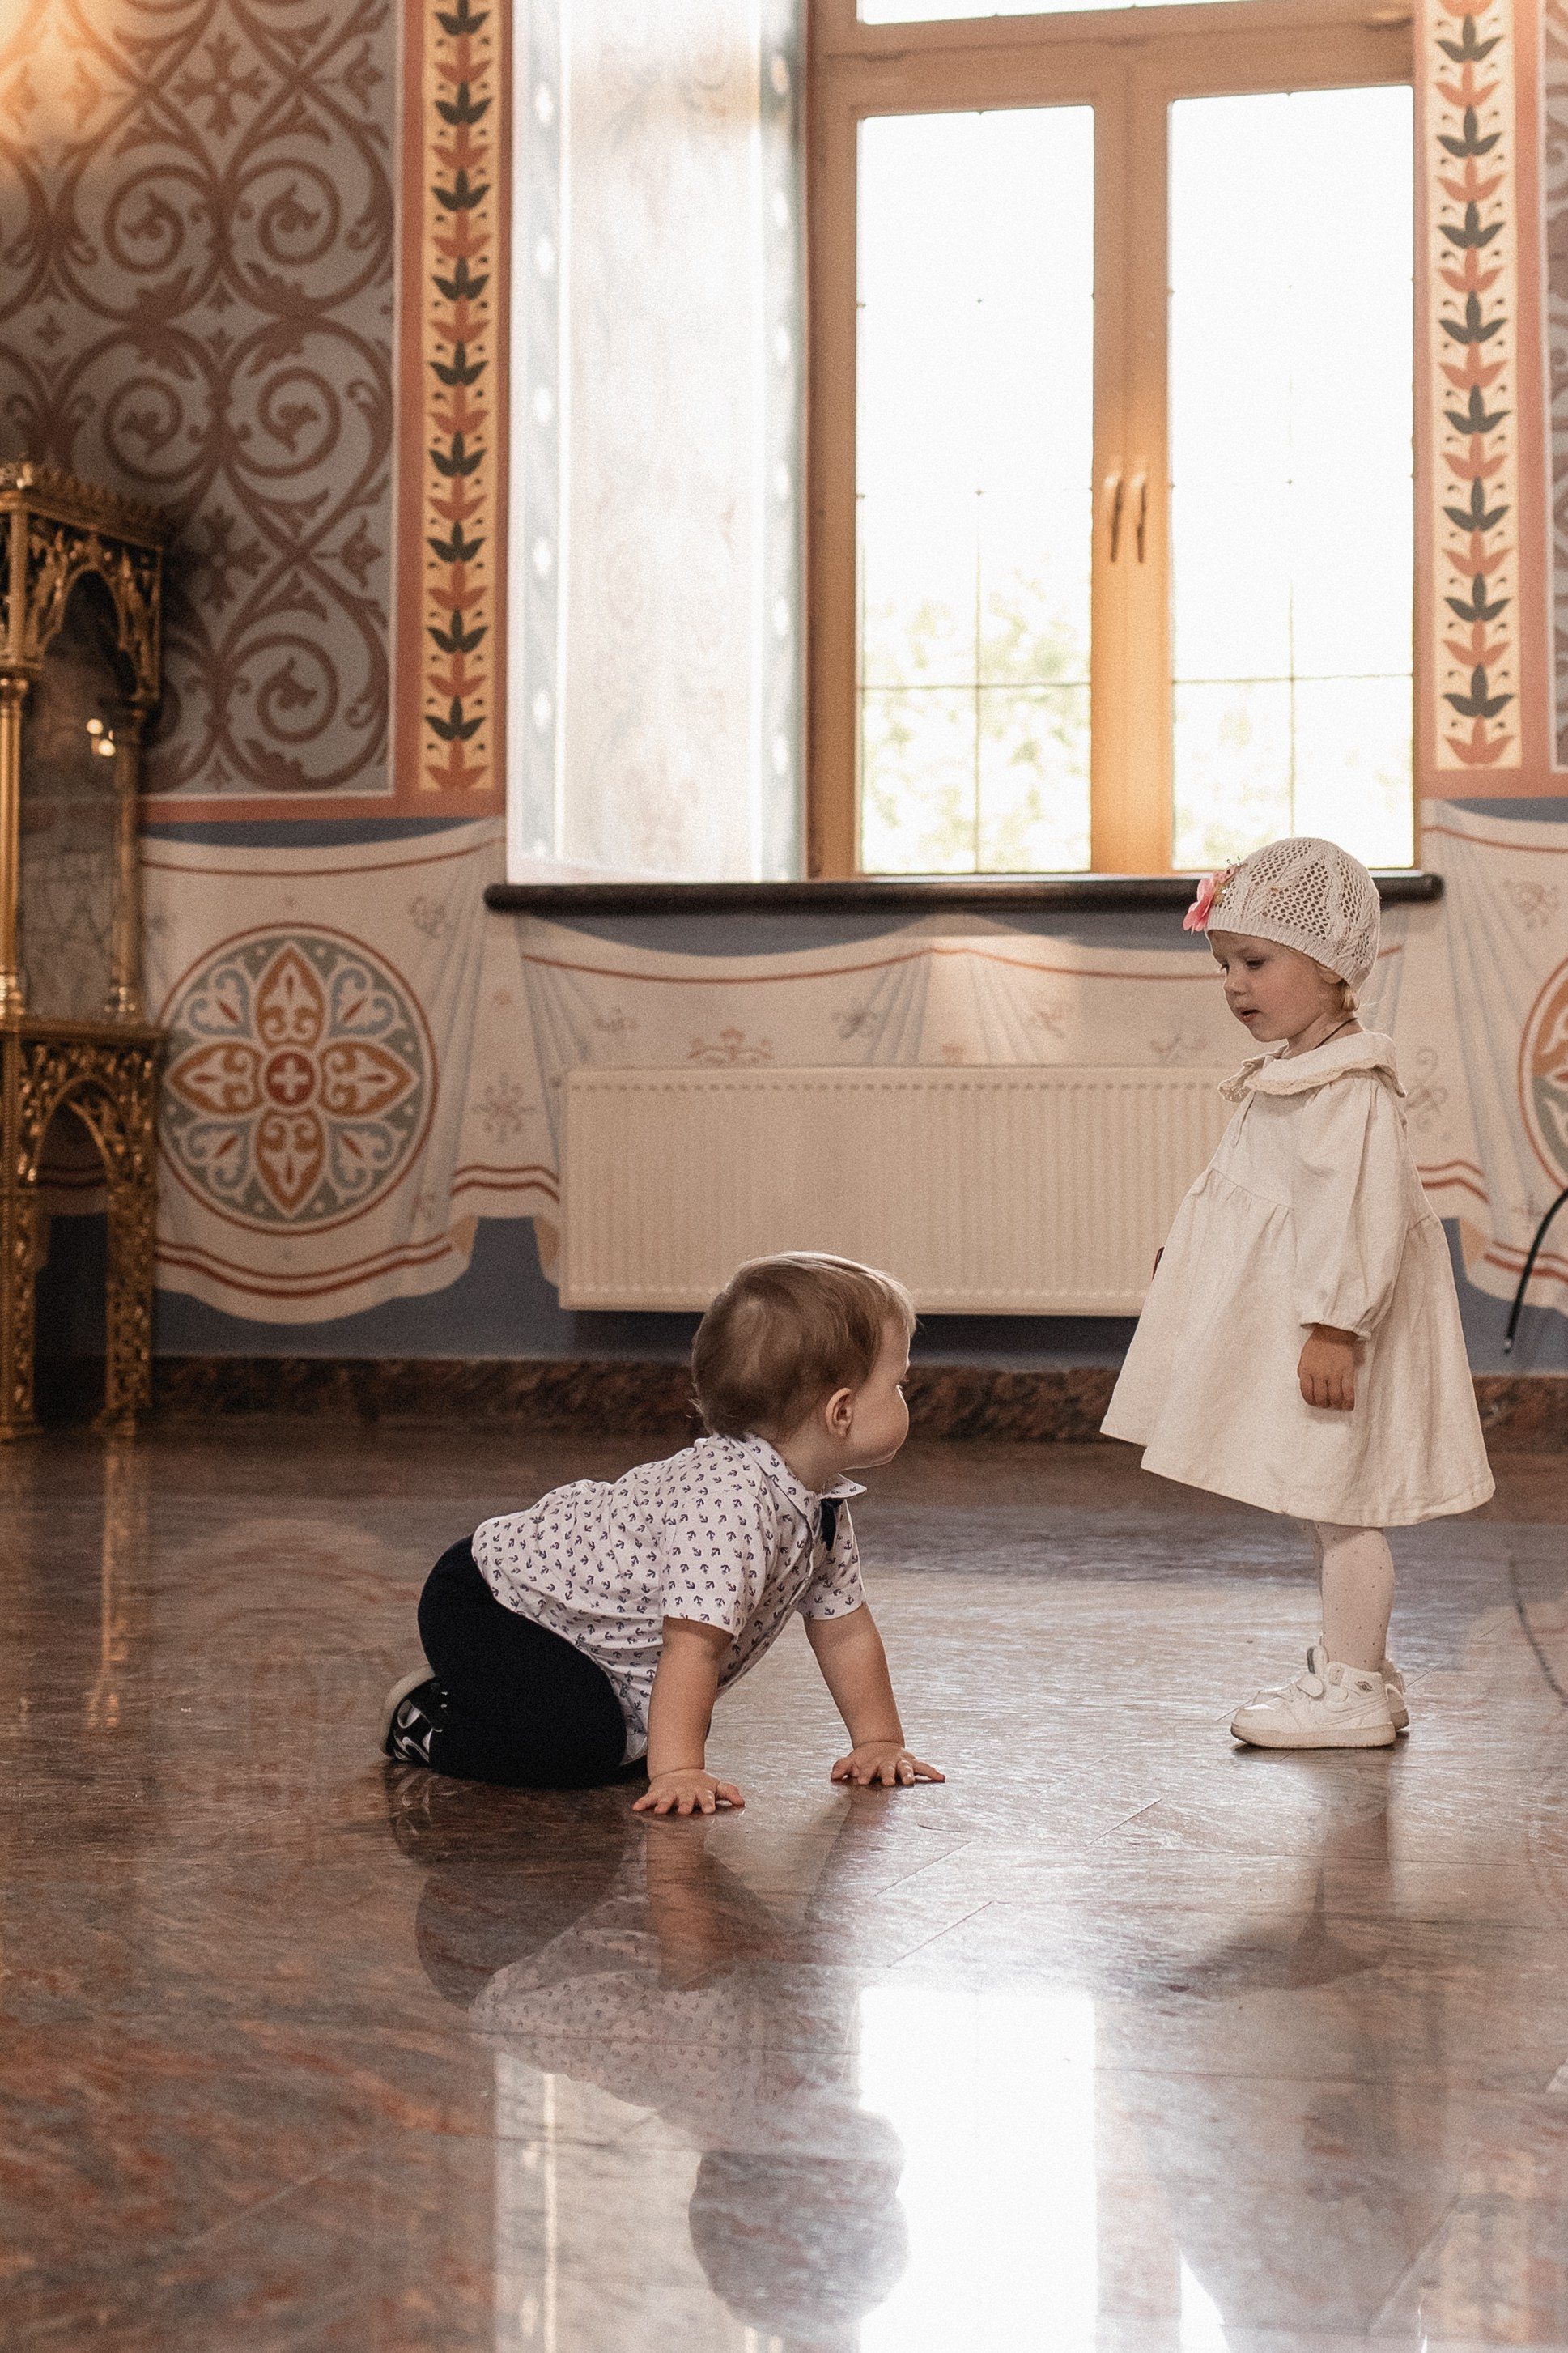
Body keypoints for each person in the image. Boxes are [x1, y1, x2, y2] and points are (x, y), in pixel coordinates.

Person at [1101, 835, 1494, 1748]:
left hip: (1330, 1326)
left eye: (1254, 961)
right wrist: (1189, 1254)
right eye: (1223, 965)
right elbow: (1258, 1196)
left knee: (1342, 1506)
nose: (1234, 985)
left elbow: (1352, 1218)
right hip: (1311, 1318)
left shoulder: (1346, 1089)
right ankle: (1362, 1670)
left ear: (1328, 968)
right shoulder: (1298, 1073)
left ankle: (1352, 1686)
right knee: (1327, 1505)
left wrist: (1334, 1326)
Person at [380, 1252, 945, 1811]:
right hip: (493, 1603)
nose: (903, 1395)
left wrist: (877, 1742)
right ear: (839, 1412)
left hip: (568, 1632)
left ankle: (504, 1699)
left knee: (614, 1739)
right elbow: (693, 1648)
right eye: (898, 1383)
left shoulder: (817, 1500)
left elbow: (842, 1628)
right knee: (577, 1749)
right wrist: (679, 1771)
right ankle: (430, 1718)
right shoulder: (728, 1506)